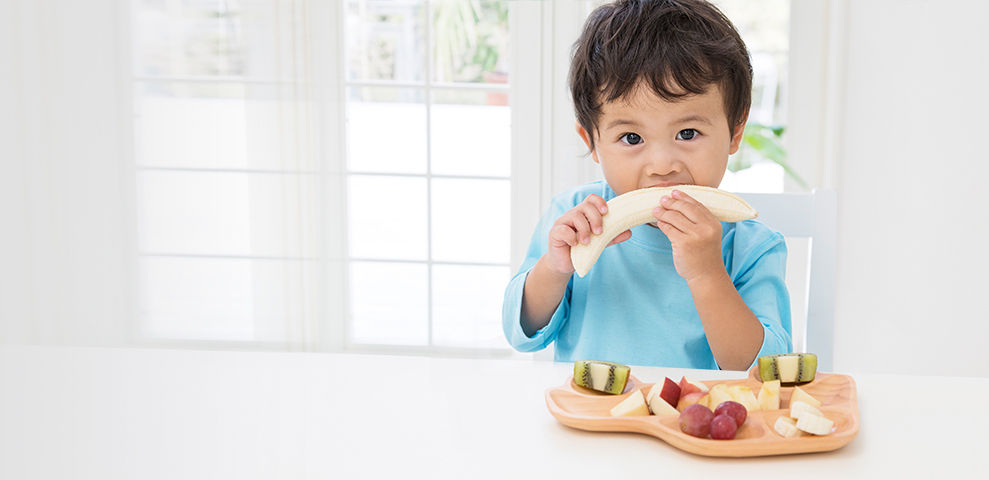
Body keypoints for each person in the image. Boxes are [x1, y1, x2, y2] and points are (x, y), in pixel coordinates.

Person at [502, 0, 792, 371]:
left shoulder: (753, 248)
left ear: (735, 133)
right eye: (632, 138)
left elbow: (765, 370)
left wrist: (707, 274)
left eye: (688, 133)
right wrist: (555, 269)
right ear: (591, 141)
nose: (661, 166)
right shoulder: (573, 218)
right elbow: (521, 331)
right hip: (594, 422)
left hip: (694, 425)